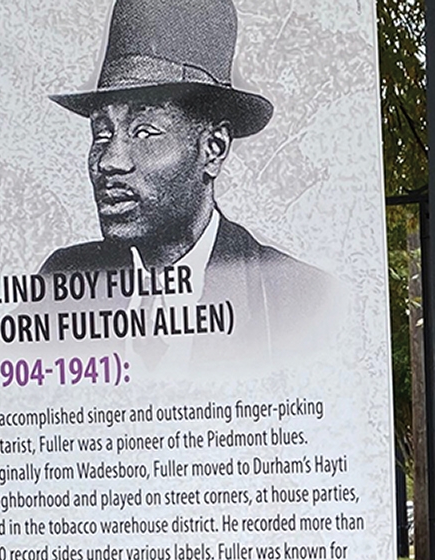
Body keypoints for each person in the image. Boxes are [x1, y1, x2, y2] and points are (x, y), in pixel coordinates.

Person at [41, 0, 336, 363]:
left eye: (145, 132)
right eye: (102, 134)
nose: (109, 161)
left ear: (213, 149)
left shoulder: (301, 298)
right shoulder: (62, 281)